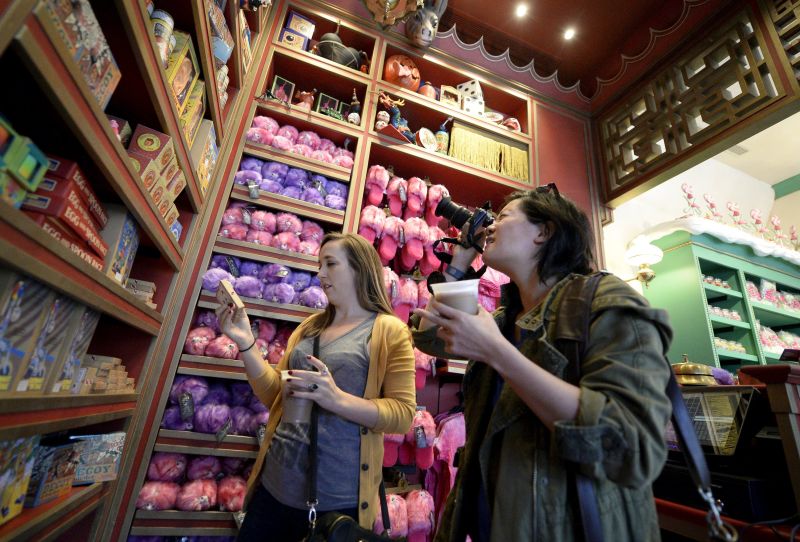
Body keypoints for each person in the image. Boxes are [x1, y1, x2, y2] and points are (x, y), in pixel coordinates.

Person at [412, 185, 673, 541]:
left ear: (544, 231)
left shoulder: (604, 301)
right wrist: (461, 260)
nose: (489, 228)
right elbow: (429, 337)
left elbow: (627, 444)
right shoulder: (508, 318)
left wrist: (497, 354)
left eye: (502, 217)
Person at [220, 232, 416, 541]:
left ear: (358, 269)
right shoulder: (309, 327)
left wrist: (336, 399)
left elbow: (403, 414)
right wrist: (246, 344)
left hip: (334, 502)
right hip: (274, 486)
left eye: (330, 264)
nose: (320, 273)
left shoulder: (390, 331)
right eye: (319, 264)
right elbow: (275, 395)